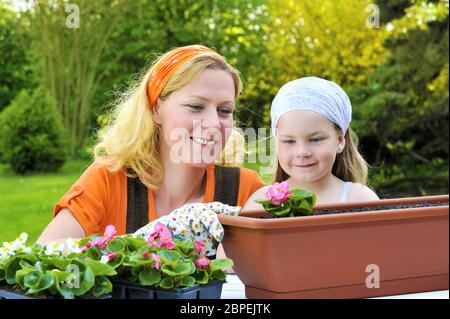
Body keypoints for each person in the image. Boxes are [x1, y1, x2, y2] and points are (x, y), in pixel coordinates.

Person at [38, 45, 264, 244]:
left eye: (224, 111)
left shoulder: (245, 190)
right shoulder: (109, 179)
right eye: (196, 106)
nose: (214, 123)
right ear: (156, 109)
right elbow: (46, 251)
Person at [243, 77, 378, 210]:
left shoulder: (360, 200)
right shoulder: (261, 203)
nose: (302, 152)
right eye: (289, 141)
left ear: (340, 140)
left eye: (315, 140)